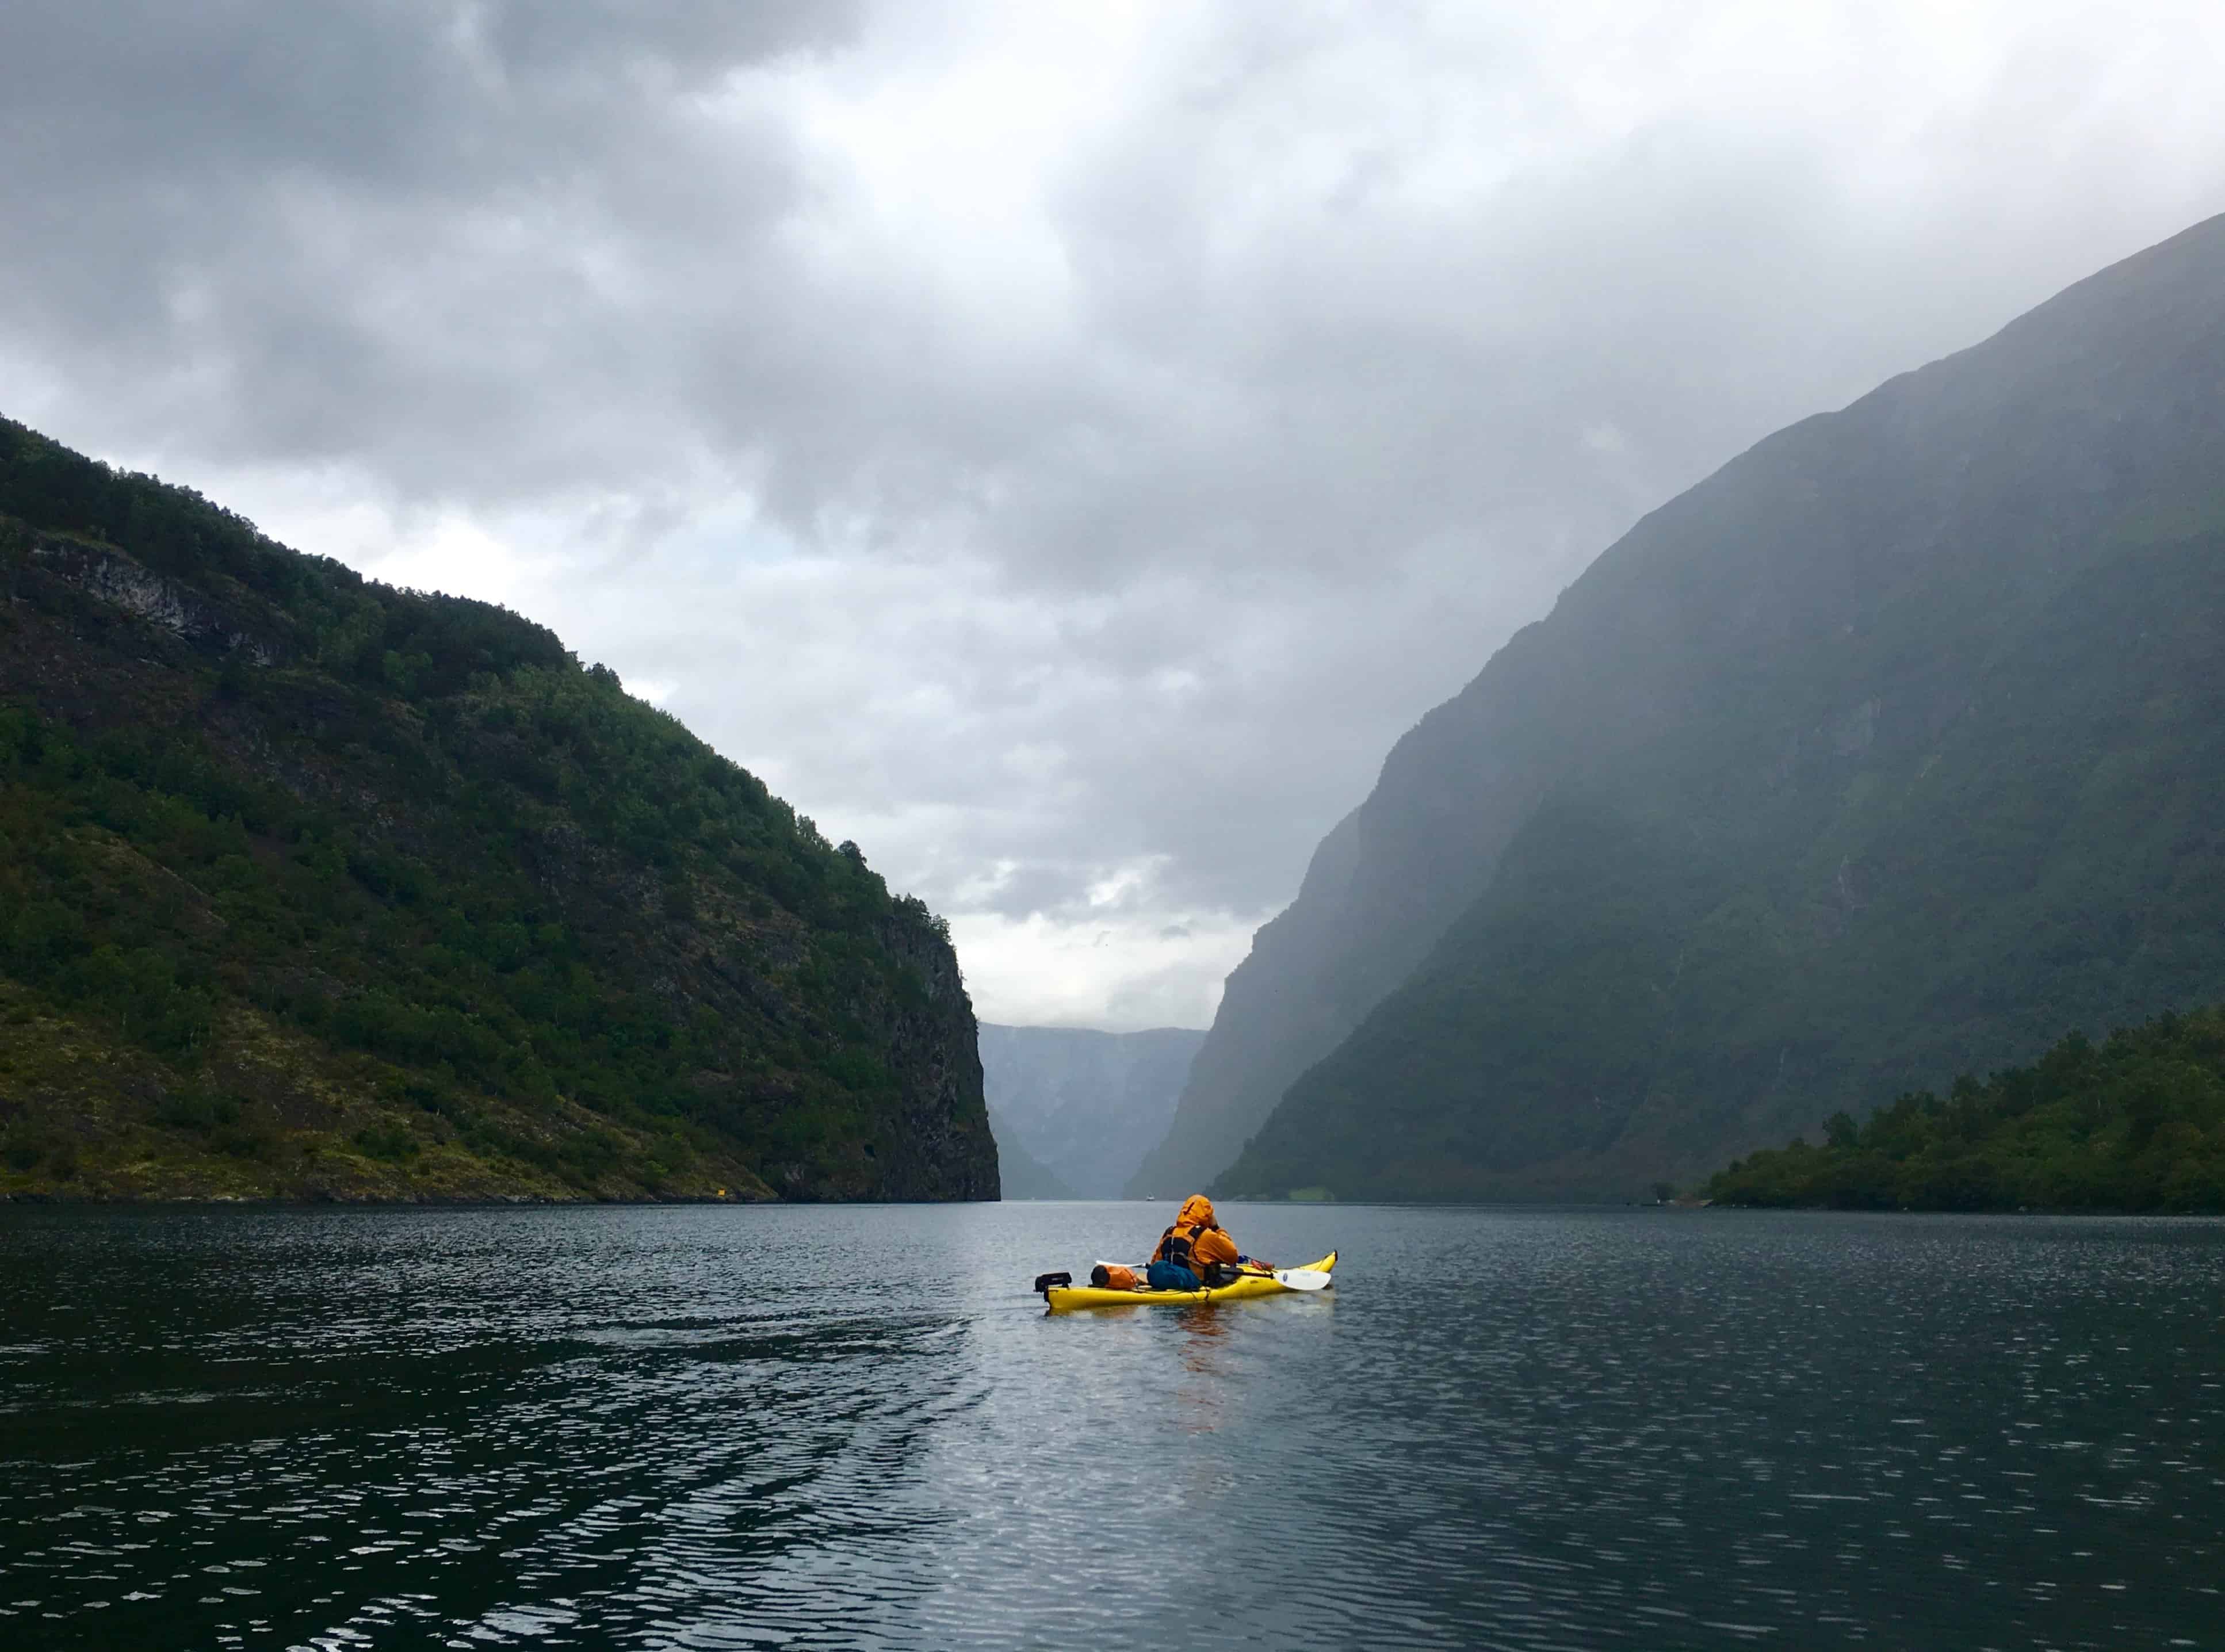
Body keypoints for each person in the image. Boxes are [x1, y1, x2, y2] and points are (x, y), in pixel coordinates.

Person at [1145, 1195, 1267, 1290]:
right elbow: (1232, 1256)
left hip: (1168, 1280)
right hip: (1197, 1284)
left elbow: (1155, 1262)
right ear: (1206, 1215)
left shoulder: (1170, 1232)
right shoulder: (1205, 1235)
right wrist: (1216, 1227)